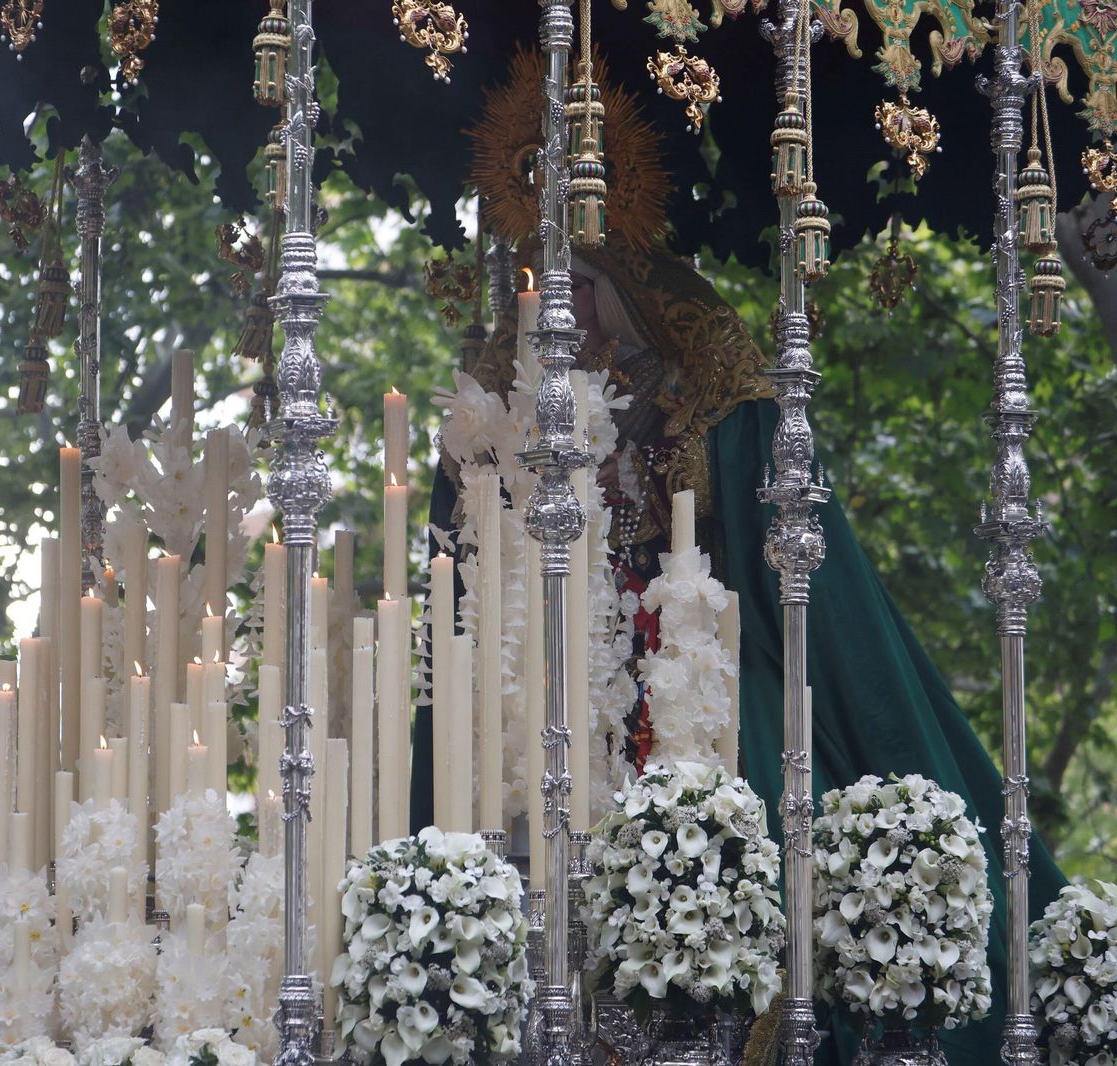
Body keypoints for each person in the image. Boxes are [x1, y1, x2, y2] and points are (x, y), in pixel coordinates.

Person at [418, 242, 1065, 1064]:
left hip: (681, 658)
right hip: (547, 667)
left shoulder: (690, 382)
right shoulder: (510, 403)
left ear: (620, 289)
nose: (559, 308)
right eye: (544, 287)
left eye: (576, 286)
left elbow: (749, 527)